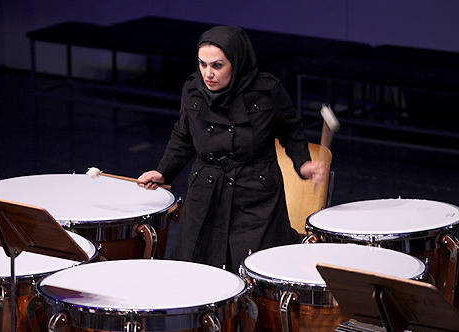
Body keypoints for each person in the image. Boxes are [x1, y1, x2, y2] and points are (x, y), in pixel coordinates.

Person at [137, 26, 325, 273]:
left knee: (255, 273)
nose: (208, 74)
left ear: (236, 62)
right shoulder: (193, 89)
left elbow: (291, 130)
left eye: (217, 66)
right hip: (206, 192)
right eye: (202, 64)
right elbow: (183, 136)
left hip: (255, 194)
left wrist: (303, 163)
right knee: (199, 271)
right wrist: (164, 172)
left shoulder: (266, 91)